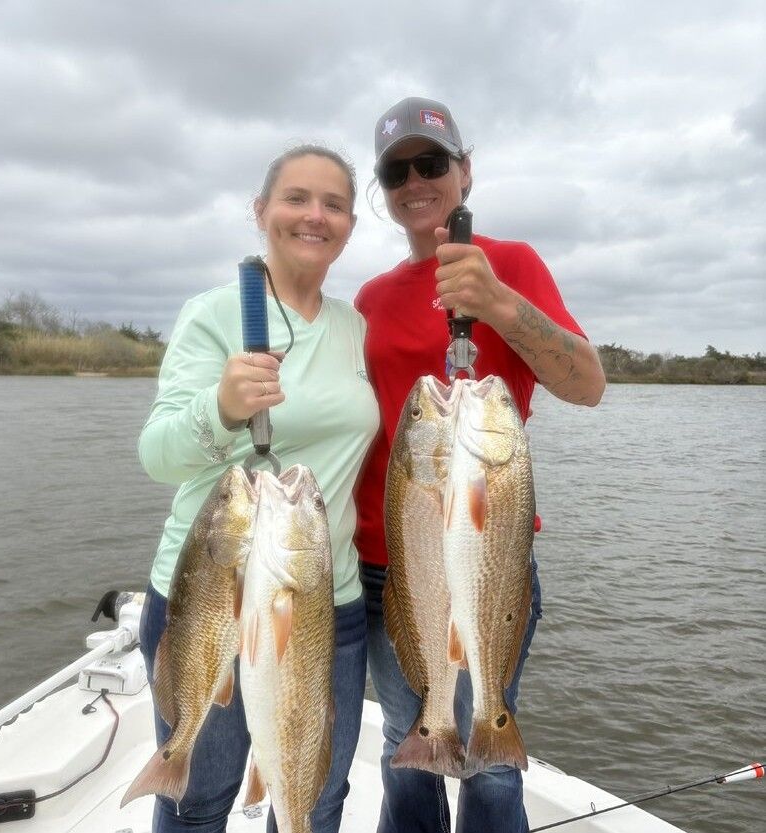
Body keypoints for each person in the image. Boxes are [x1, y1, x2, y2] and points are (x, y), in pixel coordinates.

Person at [354, 97, 606, 833]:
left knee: (490, 760)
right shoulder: (369, 297)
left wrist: (496, 301)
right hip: (384, 562)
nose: (415, 181)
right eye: (396, 170)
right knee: (407, 744)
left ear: (465, 171)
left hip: (488, 550)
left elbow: (587, 385)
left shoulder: (516, 263)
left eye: (431, 163)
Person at [137, 145, 380, 833]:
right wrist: (219, 407)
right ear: (261, 211)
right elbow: (156, 454)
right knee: (198, 797)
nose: (315, 215)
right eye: (297, 197)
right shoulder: (213, 315)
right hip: (210, 594)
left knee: (313, 794)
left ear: (351, 224)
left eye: (334, 204)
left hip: (325, 600)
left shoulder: (353, 326)